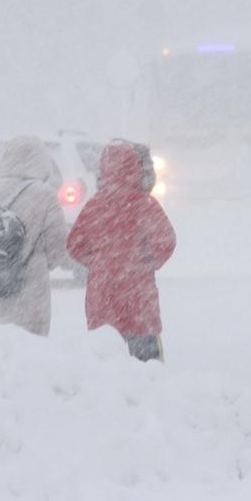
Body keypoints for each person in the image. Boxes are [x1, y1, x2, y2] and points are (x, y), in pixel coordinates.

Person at [67, 141, 176, 361]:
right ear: (135, 167)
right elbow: (166, 241)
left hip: (102, 300)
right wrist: (146, 262)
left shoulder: (94, 205)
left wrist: (99, 262)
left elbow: (74, 245)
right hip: (138, 301)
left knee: (108, 367)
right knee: (148, 370)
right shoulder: (144, 204)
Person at [0, 135, 69, 336]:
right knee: (28, 356)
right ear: (40, 159)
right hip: (30, 295)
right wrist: (34, 264)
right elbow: (59, 247)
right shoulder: (44, 194)